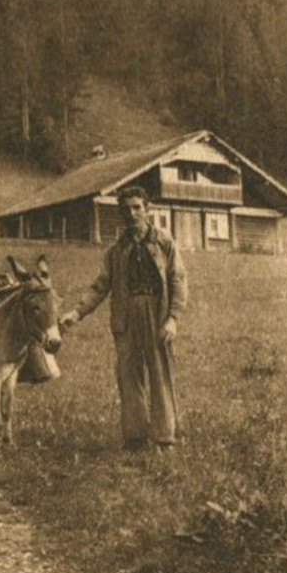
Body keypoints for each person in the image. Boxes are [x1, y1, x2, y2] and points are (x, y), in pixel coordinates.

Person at [60, 187, 188, 451]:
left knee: (159, 372)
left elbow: (178, 280)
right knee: (128, 374)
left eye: (136, 207)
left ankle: (164, 438)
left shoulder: (164, 242)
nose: (131, 214)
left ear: (147, 209)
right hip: (126, 315)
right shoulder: (117, 250)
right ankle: (136, 438)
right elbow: (100, 286)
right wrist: (77, 313)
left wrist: (173, 318)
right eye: (126, 209)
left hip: (157, 312)